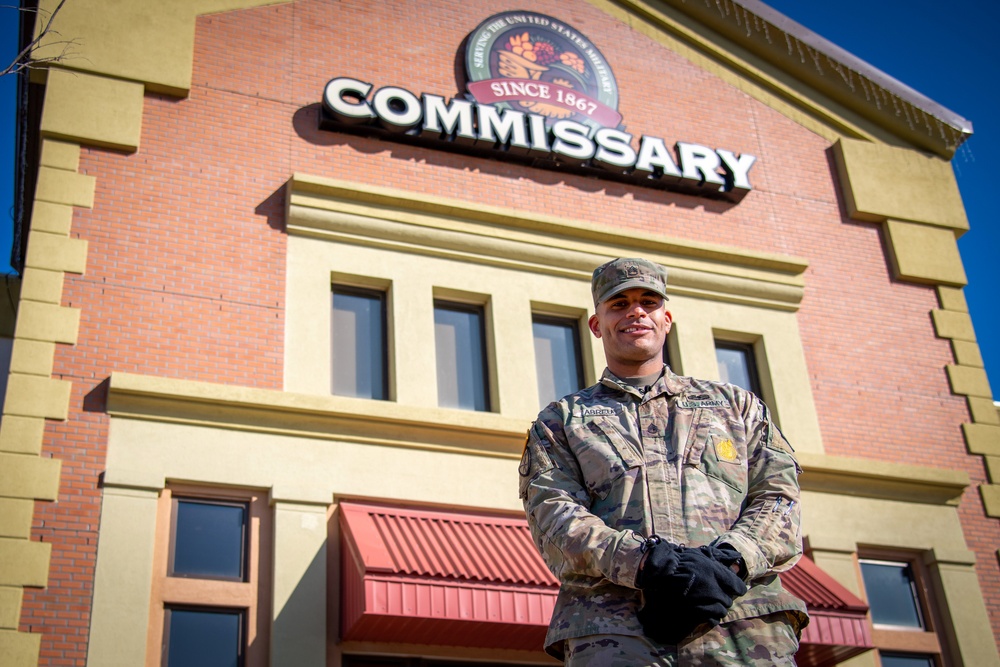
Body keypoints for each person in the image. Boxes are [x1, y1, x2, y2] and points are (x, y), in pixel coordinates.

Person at [519, 258, 808, 666]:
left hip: (744, 628)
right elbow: (555, 517)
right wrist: (647, 564)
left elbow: (779, 496)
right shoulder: (562, 421)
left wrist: (728, 561)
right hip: (616, 634)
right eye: (618, 304)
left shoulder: (736, 407)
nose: (635, 311)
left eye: (648, 302)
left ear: (666, 318)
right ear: (597, 325)